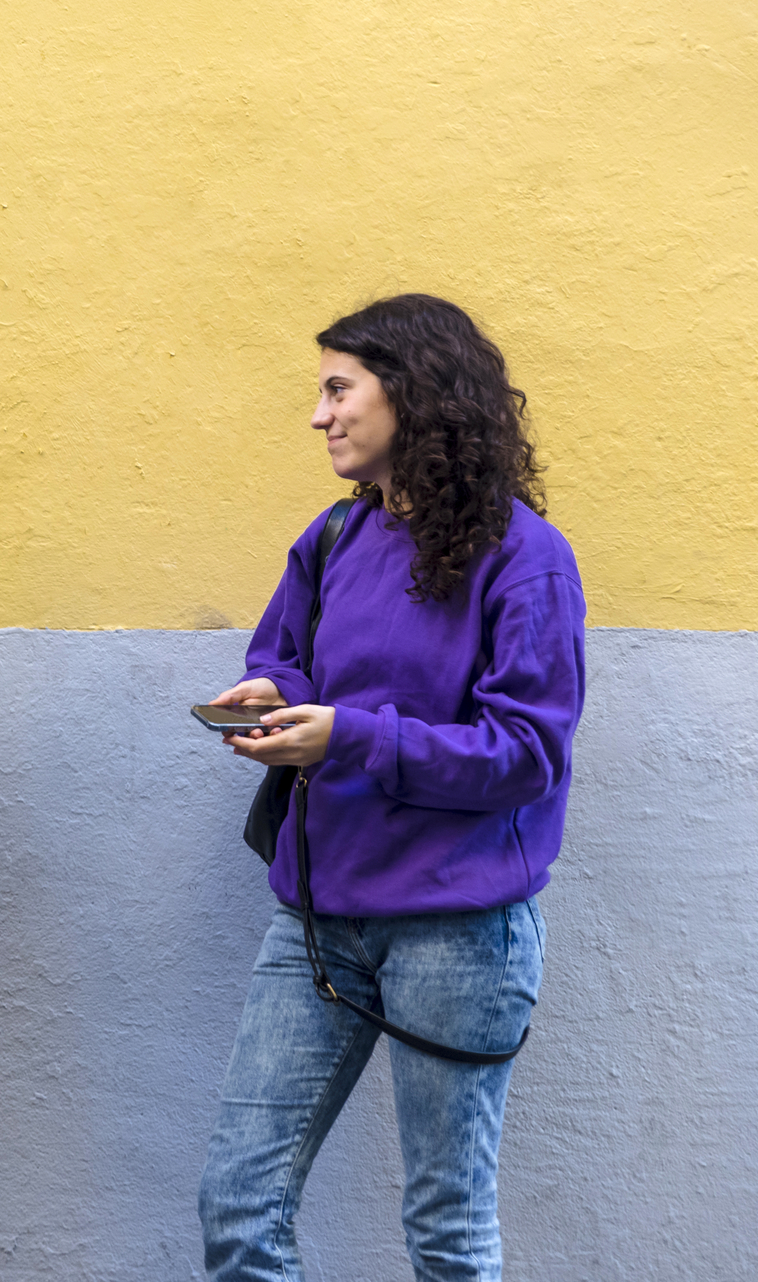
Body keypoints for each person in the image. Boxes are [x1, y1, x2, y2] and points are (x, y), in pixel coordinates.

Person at [195, 294, 586, 1282]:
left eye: (337, 389)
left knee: (445, 1228)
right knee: (239, 1200)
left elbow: (523, 755)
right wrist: (271, 696)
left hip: (458, 934)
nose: (316, 415)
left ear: (412, 396)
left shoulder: (526, 559)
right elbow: (283, 653)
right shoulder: (330, 539)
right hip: (317, 920)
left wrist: (347, 737)